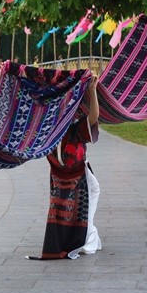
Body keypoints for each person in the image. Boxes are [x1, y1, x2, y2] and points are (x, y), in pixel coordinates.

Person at [28, 71, 101, 260]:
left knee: (88, 195)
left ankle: (88, 235)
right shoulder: (73, 128)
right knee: (87, 199)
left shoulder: (49, 129)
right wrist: (92, 90)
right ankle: (86, 237)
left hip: (59, 175)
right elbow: (93, 117)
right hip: (75, 174)